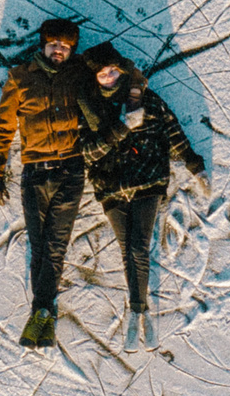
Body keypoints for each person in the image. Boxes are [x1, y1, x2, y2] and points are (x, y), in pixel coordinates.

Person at [75, 43, 208, 349]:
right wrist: (120, 128)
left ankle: (138, 313)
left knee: (137, 246)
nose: (109, 77)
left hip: (149, 182)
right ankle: (140, 313)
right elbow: (86, 152)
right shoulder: (89, 108)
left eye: (113, 71)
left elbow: (172, 131)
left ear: (121, 68)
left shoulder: (145, 99)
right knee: (129, 250)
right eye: (102, 74)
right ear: (95, 78)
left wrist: (195, 166)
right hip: (111, 188)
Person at [0, 18, 94, 346]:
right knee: (39, 245)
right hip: (34, 173)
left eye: (66, 46)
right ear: (43, 44)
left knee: (55, 245)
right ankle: (43, 313)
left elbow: (111, 81)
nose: (60, 50)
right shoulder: (20, 78)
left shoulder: (79, 75)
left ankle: (42, 313)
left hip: (70, 171)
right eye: (54, 44)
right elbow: (4, 128)